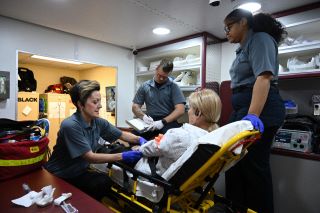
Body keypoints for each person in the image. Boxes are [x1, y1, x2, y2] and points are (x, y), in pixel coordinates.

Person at [223, 9, 287, 213]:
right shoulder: (242, 49)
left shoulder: (260, 39)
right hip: (243, 109)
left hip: (262, 109)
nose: (227, 32)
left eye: (230, 26)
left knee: (253, 169)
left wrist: (252, 117)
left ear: (243, 22)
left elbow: (263, 78)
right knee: (233, 165)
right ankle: (236, 208)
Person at [45, 80, 147, 201]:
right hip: (59, 175)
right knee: (99, 184)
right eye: (95, 102)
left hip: (78, 172)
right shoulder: (70, 125)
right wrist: (123, 156)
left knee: (104, 182)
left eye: (99, 101)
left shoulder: (97, 122)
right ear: (80, 104)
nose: (100, 106)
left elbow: (122, 135)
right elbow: (90, 157)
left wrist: (139, 139)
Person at [134, 89, 221, 178]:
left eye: (190, 107)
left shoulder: (179, 136)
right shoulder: (216, 140)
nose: (189, 111)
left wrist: (140, 148)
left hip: (155, 178)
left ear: (198, 112)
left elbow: (150, 149)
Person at [132, 58, 186, 140]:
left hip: (168, 122)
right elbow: (135, 106)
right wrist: (143, 117)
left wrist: (163, 122)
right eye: (159, 75)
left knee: (168, 141)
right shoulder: (145, 86)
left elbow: (180, 110)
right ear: (156, 69)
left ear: (169, 73)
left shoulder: (173, 87)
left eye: (164, 77)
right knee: (134, 138)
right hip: (150, 121)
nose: (161, 78)